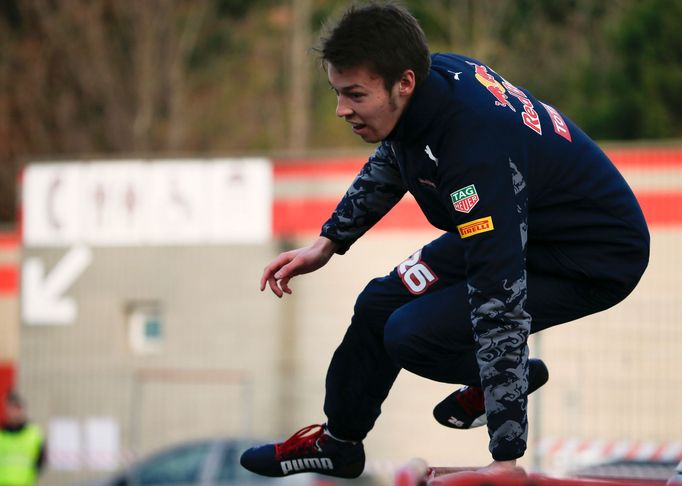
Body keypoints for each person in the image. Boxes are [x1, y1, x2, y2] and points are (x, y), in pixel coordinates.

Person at [241, 2, 649, 479]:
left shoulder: (473, 154)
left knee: (410, 331)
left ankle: (496, 383)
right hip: (522, 222)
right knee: (378, 304)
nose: (341, 110)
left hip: (591, 259)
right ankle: (340, 443)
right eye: (336, 92)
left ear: (404, 83)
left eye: (354, 95)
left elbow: (499, 300)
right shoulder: (434, 83)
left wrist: (504, 458)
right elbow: (394, 157)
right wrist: (328, 242)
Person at [0, 391, 46, 486]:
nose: (14, 413)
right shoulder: (1, 434)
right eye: (11, 408)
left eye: (17, 408)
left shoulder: (34, 434)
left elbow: (41, 460)